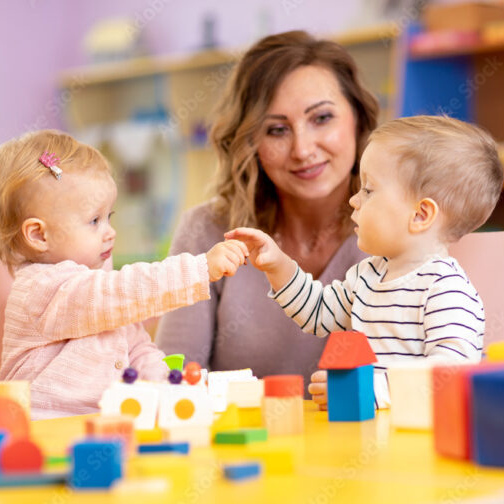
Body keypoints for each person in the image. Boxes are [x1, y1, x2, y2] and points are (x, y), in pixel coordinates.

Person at [227, 115, 504, 408]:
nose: (354, 200)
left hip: (418, 443)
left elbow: (450, 375)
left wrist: (367, 390)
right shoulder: (368, 275)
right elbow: (318, 312)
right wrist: (279, 266)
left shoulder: (445, 290)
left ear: (421, 215)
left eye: (368, 190)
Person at [155, 31, 379, 391]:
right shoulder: (206, 231)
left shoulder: (403, 232)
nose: (303, 149)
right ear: (250, 142)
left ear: (358, 118)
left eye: (322, 118)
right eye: (277, 129)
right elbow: (171, 380)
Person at [0, 129, 248, 419]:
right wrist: (199, 269)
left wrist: (167, 384)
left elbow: (138, 347)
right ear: (38, 235)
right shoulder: (42, 289)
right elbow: (122, 292)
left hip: (106, 424)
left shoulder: (101, 288)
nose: (110, 232)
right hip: (43, 428)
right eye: (94, 220)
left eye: (110, 217)